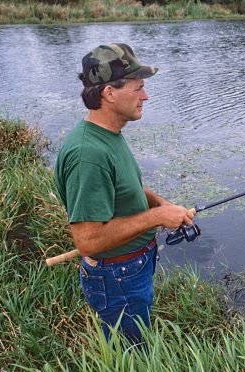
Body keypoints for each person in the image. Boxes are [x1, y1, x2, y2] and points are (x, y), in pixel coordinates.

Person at [54, 43, 195, 344]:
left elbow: (122, 186)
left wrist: (160, 203)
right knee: (132, 355)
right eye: (138, 89)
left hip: (129, 270)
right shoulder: (87, 153)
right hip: (117, 277)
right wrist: (156, 217)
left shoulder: (107, 134)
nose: (145, 96)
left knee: (133, 347)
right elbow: (87, 240)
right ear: (108, 93)